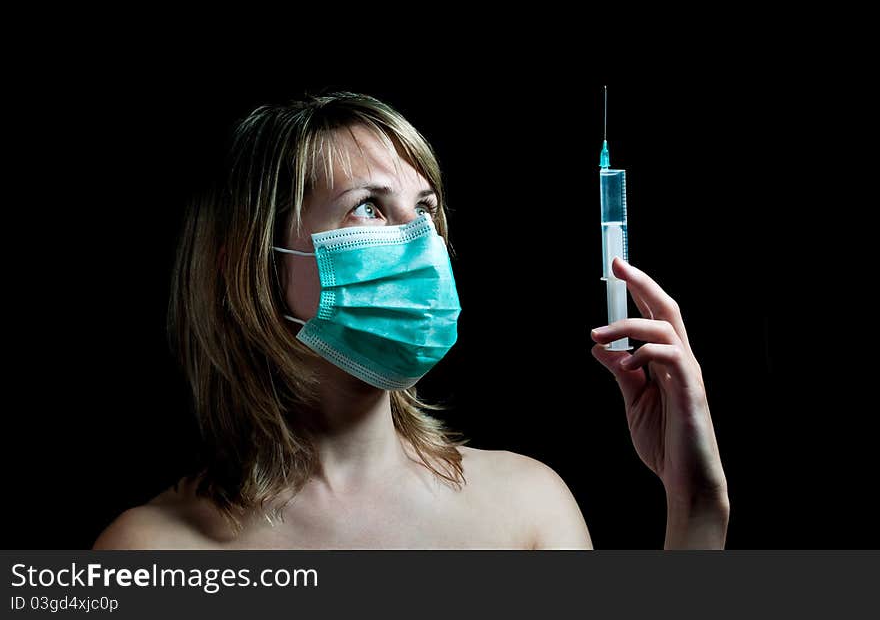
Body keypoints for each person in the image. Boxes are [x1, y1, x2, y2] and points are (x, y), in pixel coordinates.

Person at [92, 91, 729, 549]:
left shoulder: (526, 505)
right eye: (368, 209)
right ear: (252, 263)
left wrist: (695, 506)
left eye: (424, 208)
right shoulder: (152, 551)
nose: (419, 240)